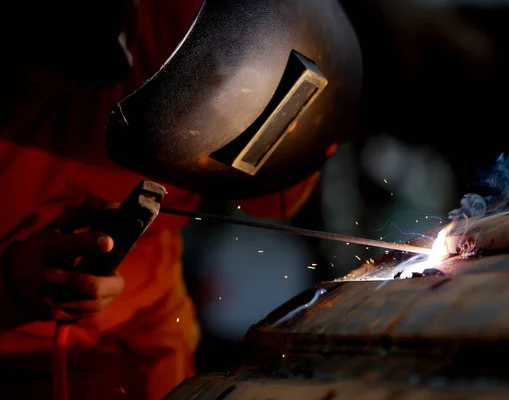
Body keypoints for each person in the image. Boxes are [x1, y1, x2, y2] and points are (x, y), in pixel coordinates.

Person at [0, 1, 320, 399]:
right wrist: (9, 290)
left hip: (146, 348)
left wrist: (300, 129)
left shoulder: (198, 14)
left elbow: (274, 200)